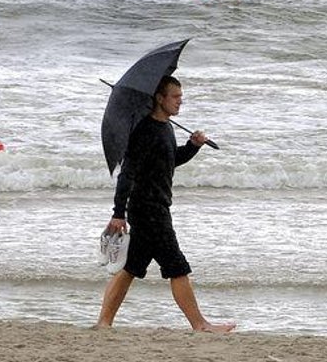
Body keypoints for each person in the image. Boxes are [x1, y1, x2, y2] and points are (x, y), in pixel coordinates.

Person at [95, 75, 235, 333]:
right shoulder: (144, 132)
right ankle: (200, 325)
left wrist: (192, 146)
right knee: (177, 266)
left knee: (130, 268)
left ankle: (104, 323)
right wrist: (118, 213)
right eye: (175, 97)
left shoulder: (166, 127)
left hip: (156, 207)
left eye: (181, 97)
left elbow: (169, 160)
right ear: (160, 98)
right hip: (149, 210)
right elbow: (127, 174)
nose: (180, 102)